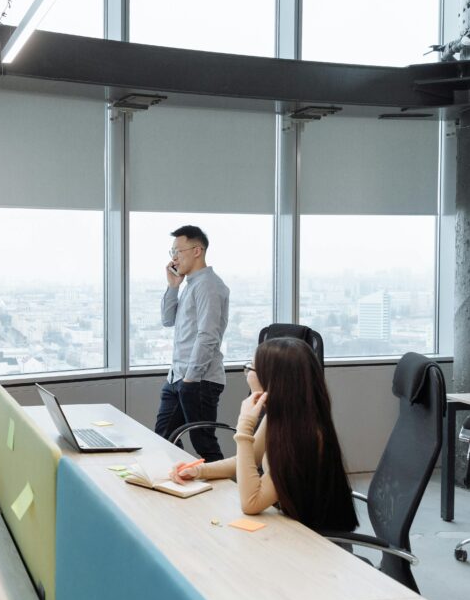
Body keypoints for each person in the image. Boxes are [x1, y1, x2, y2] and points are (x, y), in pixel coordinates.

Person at [171, 337, 359, 533]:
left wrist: (244, 428)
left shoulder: (304, 436)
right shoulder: (285, 415)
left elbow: (251, 503)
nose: (247, 374)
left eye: (250, 368)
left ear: (273, 379)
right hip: (291, 527)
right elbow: (248, 459)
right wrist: (198, 471)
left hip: (318, 544)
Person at [154, 225, 230, 462]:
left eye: (178, 251)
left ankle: (231, 495)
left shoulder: (209, 285)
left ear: (197, 251)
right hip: (178, 377)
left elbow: (208, 336)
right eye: (172, 252)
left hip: (198, 380)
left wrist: (190, 379)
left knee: (203, 443)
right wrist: (173, 286)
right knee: (164, 436)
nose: (174, 257)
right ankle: (187, 485)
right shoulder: (190, 286)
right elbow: (168, 320)